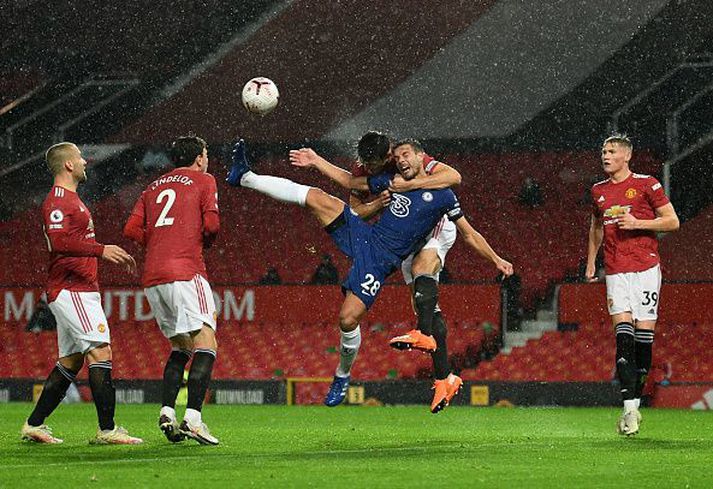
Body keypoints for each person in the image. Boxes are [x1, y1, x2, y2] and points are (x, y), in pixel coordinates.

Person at [227, 137, 513, 408]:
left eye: (406, 155)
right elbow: (351, 182)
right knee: (316, 197)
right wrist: (316, 160)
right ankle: (244, 177)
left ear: (419, 156)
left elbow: (466, 221)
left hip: (382, 261)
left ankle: (346, 373)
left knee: (348, 317)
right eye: (397, 156)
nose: (401, 160)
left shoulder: (441, 193)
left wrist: (496, 259)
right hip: (366, 236)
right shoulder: (387, 179)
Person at [291, 133, 468, 413]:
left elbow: (453, 178)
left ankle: (430, 348)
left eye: (386, 160)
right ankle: (444, 377)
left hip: (431, 223)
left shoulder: (405, 160)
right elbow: (355, 210)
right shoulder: (366, 173)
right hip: (401, 237)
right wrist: (377, 201)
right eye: (372, 164)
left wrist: (409, 184)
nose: (388, 164)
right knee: (423, 302)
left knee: (424, 275)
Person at [21, 142, 142, 445]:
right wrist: (102, 250)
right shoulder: (58, 200)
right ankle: (107, 429)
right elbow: (58, 242)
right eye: (80, 157)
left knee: (72, 361)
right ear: (68, 165)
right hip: (71, 288)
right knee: (101, 351)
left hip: (82, 289)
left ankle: (33, 424)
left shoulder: (73, 199)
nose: (86, 161)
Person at [123, 135, 220, 445]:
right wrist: (195, 240)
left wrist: (161, 242)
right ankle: (193, 418)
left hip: (153, 276)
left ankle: (167, 411)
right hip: (186, 270)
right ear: (200, 158)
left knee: (181, 348)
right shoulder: (204, 180)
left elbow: (130, 229)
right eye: (205, 154)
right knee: (207, 340)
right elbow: (213, 226)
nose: (206, 159)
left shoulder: (152, 187)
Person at [585, 134, 679, 436]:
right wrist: (591, 261)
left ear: (627, 156)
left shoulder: (646, 184)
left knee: (643, 343)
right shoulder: (598, 191)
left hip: (647, 270)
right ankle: (629, 410)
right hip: (615, 271)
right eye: (603, 151)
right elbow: (596, 226)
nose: (605, 155)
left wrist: (638, 223)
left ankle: (634, 406)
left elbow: (672, 221)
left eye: (611, 151)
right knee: (623, 341)